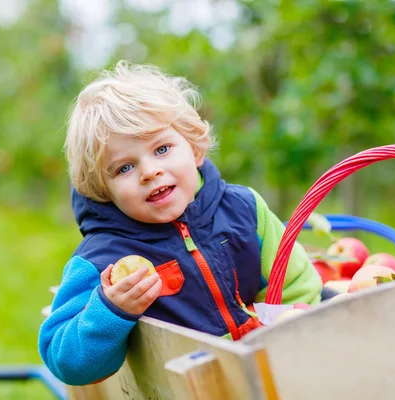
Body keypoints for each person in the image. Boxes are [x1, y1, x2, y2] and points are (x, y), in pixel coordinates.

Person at [38, 60, 323, 386]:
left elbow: (296, 281)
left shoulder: (244, 209)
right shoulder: (103, 260)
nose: (149, 171)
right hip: (183, 388)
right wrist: (110, 309)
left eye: (161, 149)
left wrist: (289, 326)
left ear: (195, 148)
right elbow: (65, 359)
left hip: (269, 374)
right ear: (105, 190)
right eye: (124, 168)